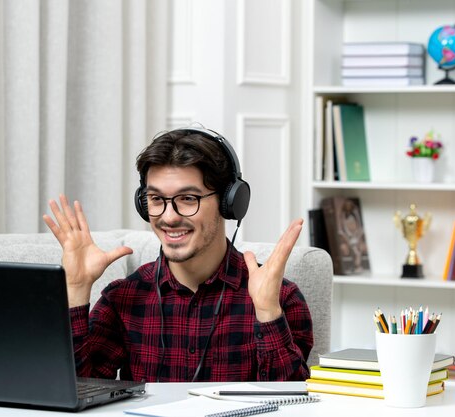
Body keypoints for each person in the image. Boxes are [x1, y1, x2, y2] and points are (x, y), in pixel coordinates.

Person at [43, 127, 313, 382]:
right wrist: (76, 290)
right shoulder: (122, 299)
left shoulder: (281, 299)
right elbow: (75, 394)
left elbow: (291, 404)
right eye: (156, 199)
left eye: (187, 199)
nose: (169, 218)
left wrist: (267, 312)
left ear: (229, 202)